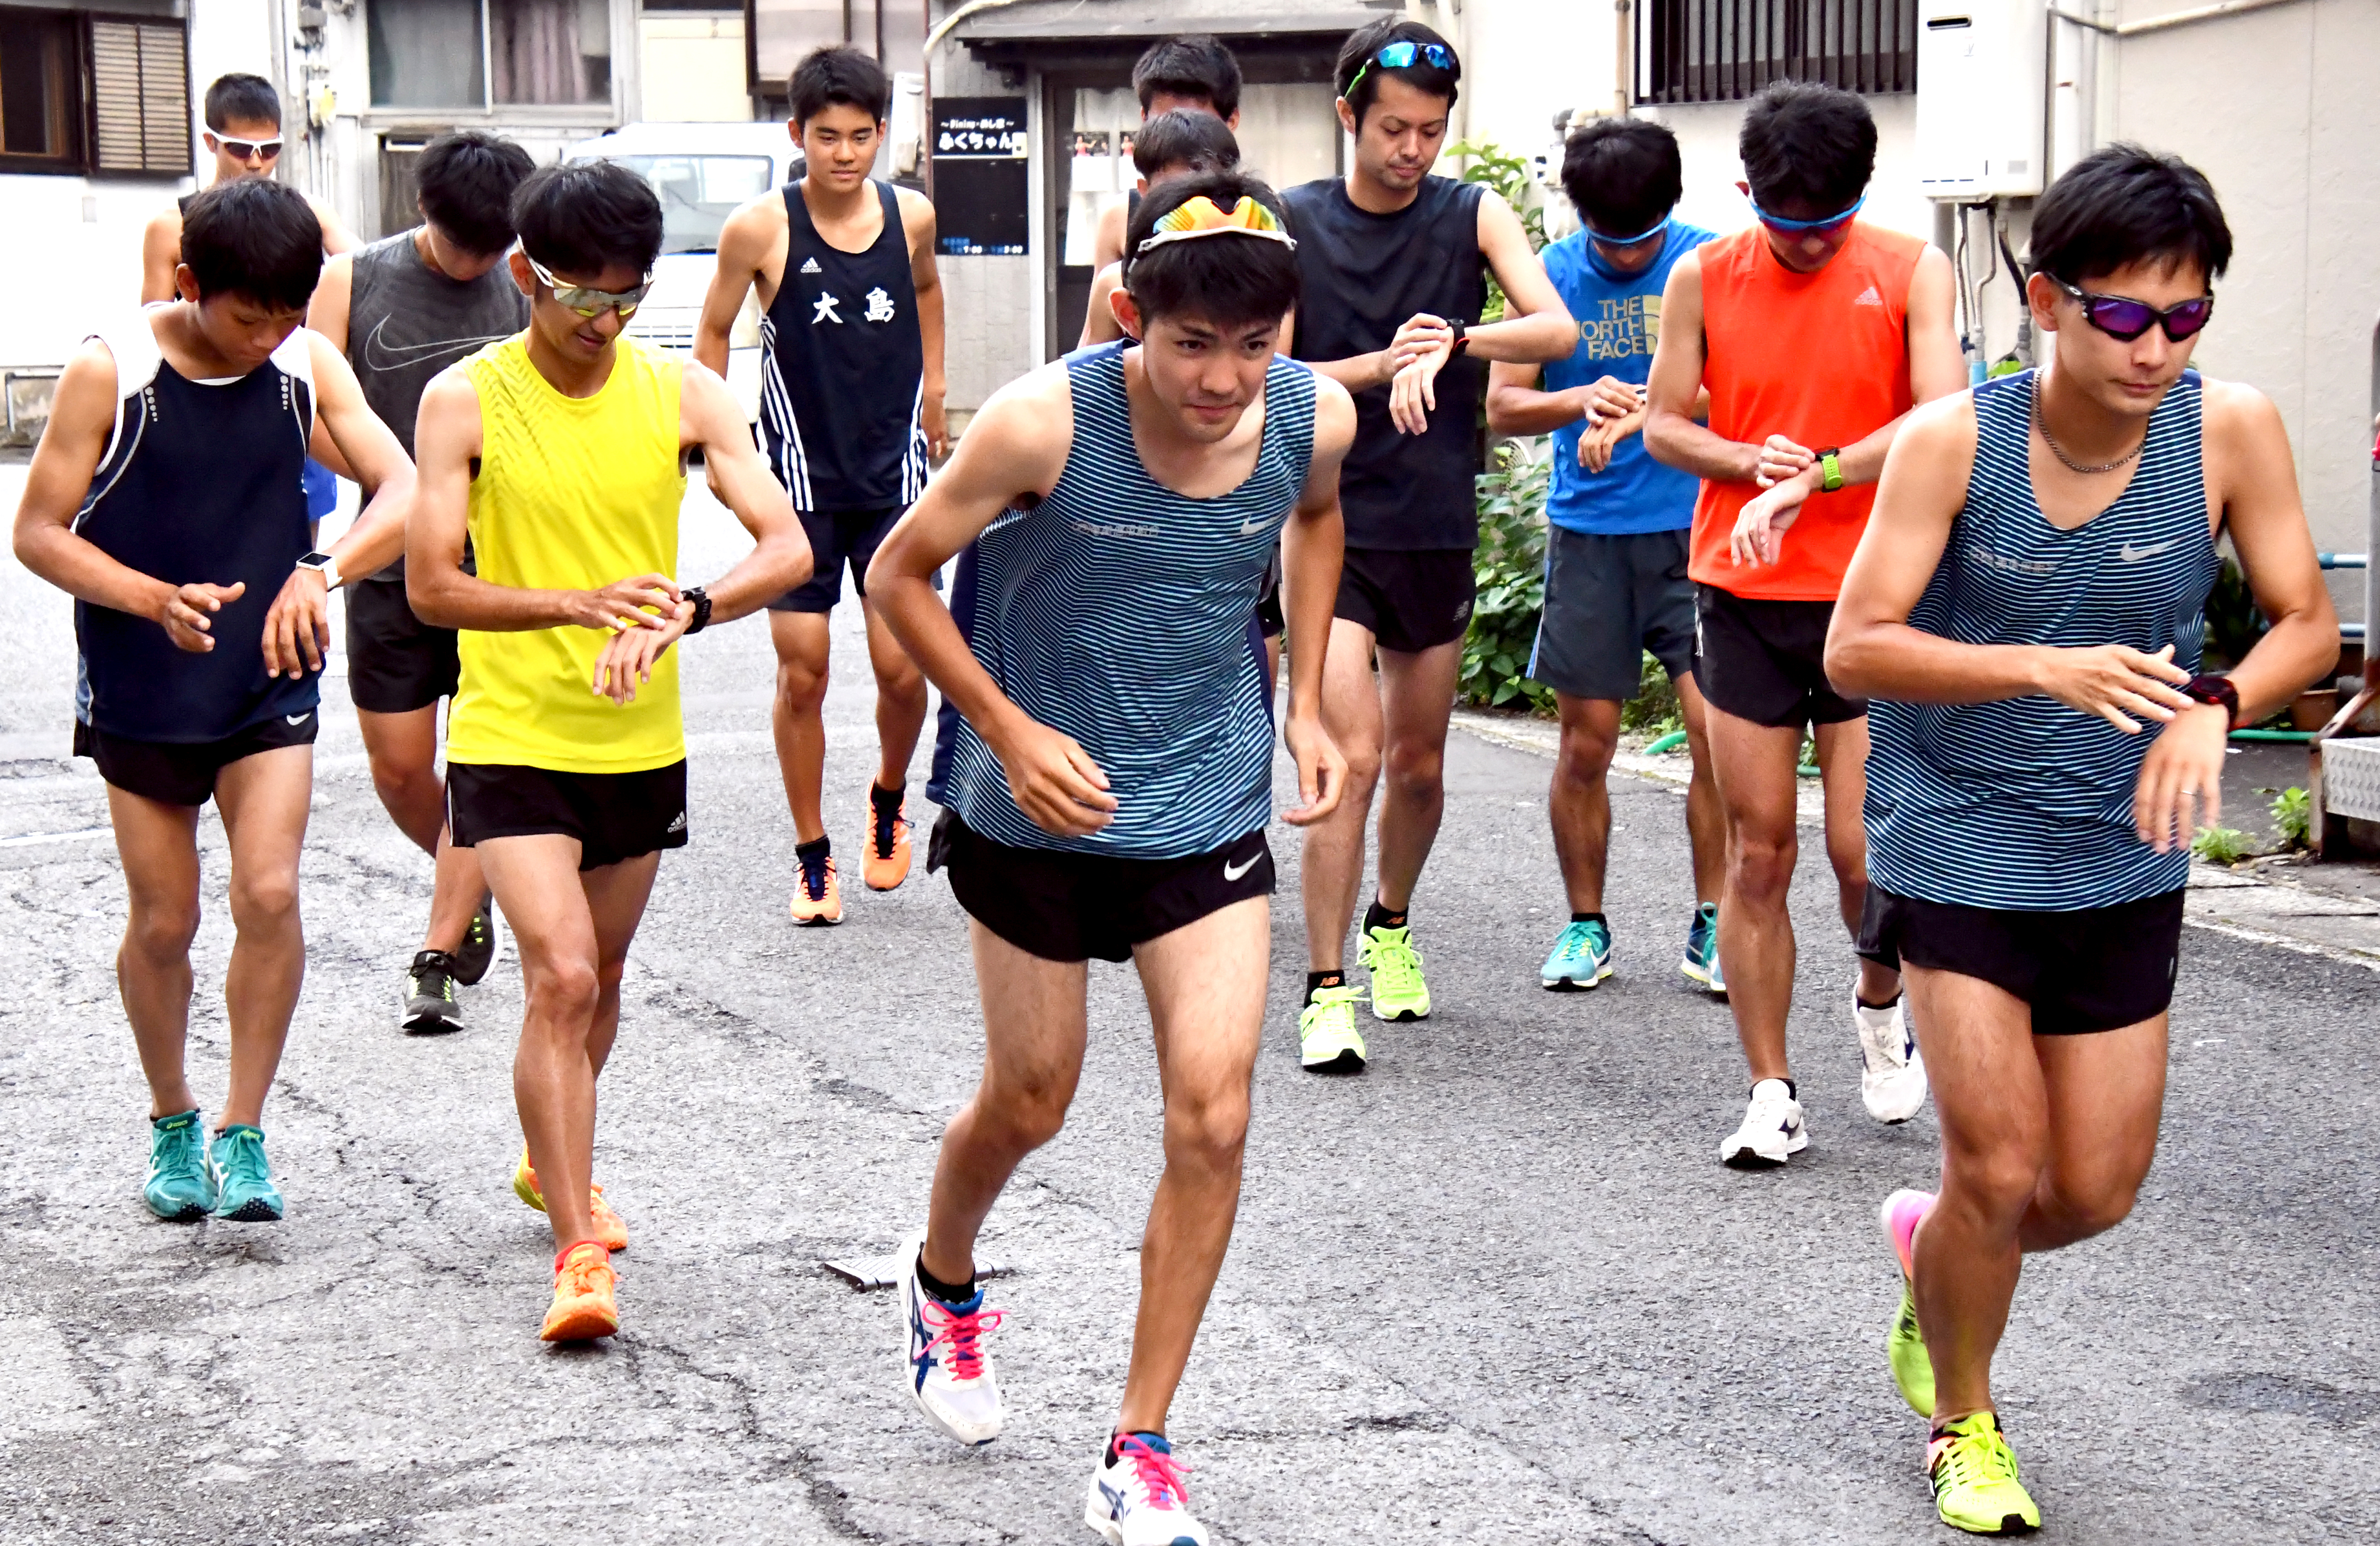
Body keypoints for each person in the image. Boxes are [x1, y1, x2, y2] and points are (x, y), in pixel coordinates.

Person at [1828, 147, 2334, 1536]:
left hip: (2123, 847)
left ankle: (1933, 1257)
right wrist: (2040, 668)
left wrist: (2216, 704)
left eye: (2185, 316)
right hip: (1953, 833)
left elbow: (2302, 617)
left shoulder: (2228, 432)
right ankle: (1963, 1423)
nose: (2155, 347)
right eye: (2122, 315)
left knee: (2091, 1188)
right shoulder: (1953, 442)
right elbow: (1855, 641)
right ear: (2046, 299)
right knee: (1992, 1160)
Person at [868, 171, 1352, 1546]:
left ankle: (1138, 1444)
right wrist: (1004, 728)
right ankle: (943, 1278)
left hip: (1202, 794)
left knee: (1212, 1112)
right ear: (1136, 312)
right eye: (1192, 342)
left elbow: (1316, 519)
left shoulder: (1313, 417)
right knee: (1030, 1099)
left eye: (1252, 345)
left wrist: (1305, 696)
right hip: (1038, 805)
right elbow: (897, 573)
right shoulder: (1040, 421)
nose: (1222, 377)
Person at [408, 162, 809, 1342]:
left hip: (639, 737)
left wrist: (692, 607)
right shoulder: (463, 400)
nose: (604, 323)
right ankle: (580, 1246)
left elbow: (784, 545)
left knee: (605, 984)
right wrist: (576, 605)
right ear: (528, 275)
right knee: (563, 976)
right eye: (583, 298)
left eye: (629, 299)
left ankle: (551, 1153)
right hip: (512, 729)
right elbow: (434, 587)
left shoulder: (684, 391)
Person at [14, 178, 414, 1226]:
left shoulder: (298, 365)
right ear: (191, 284)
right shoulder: (115, 372)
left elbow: (401, 483)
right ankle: (172, 1120)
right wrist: (151, 600)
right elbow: (39, 532)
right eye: (250, 315)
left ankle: (244, 1130)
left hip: (267, 670)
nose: (271, 336)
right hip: (144, 674)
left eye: (290, 313)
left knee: (271, 893)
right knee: (165, 917)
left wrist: (319, 571)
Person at [1642, 81, 1963, 1166]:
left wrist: (1822, 471)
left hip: (1876, 593)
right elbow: (1663, 425)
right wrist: (1748, 462)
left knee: (1862, 848)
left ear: (1863, 198)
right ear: (1749, 195)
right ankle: (1771, 1088)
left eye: (1829, 224)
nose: (1810, 244)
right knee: (1761, 850)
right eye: (1787, 224)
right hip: (1743, 592)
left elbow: (1941, 421)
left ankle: (1882, 1000)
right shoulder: (1703, 275)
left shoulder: (1913, 269)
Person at [1284, 18, 1575, 1072]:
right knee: (1352, 758)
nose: (1414, 149)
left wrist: (1453, 339)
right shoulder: (1296, 224)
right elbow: (1276, 383)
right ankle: (1324, 989)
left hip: (1435, 521)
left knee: (1417, 766)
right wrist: (1379, 363)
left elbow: (1554, 331)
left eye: (1431, 130)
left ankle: (1390, 924)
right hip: (1329, 522)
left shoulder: (1470, 213)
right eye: (1394, 128)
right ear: (1348, 115)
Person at [697, 44, 946, 927]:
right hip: (798, 483)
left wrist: (938, 392)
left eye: (861, 137)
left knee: (902, 667)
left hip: (895, 478)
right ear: (798, 134)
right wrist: (723, 444)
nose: (844, 154)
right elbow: (714, 332)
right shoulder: (759, 228)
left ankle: (887, 799)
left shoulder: (909, 215)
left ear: (883, 133)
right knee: (802, 675)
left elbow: (925, 291)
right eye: (826, 137)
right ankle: (811, 854)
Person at [1485, 117, 1726, 995]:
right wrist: (1582, 396)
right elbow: (1503, 406)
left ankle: (1714, 922)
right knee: (1585, 745)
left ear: (1672, 208)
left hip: (1696, 533)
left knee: (1714, 738)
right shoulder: (1548, 275)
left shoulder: (1708, 264)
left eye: (1644, 240)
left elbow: (1738, 386)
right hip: (1587, 536)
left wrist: (1644, 413)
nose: (1627, 258)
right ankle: (1586, 924)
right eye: (1608, 241)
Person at [307, 130, 535, 1035]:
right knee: (402, 768)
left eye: (497, 248)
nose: (482, 263)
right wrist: (403, 481)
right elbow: (313, 408)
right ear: (423, 210)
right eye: (465, 245)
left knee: (486, 760)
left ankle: (437, 947)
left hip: (502, 569)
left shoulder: (527, 280)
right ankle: (477, 881)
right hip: (388, 557)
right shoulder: (350, 280)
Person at [142, 73, 357, 534]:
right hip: (205, 392)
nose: (257, 162)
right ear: (211, 142)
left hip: (285, 383)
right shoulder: (171, 226)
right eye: (241, 149)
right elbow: (150, 327)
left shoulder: (309, 213)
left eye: (270, 149)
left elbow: (366, 268)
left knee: (301, 532)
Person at [1088, 34, 1243, 274]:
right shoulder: (1121, 217)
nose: (1180, 133)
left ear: (1231, 121)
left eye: (1197, 122)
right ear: (1144, 119)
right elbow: (1104, 309)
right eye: (1166, 121)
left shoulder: (1264, 214)